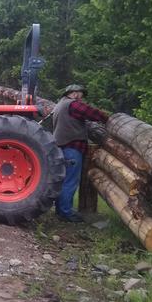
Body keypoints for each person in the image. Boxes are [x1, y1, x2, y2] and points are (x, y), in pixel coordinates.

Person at [52, 84, 109, 223]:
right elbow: (91, 113)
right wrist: (108, 118)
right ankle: (66, 213)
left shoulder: (59, 106)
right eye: (80, 94)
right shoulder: (73, 105)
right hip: (72, 148)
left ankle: (60, 210)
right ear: (75, 93)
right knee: (70, 181)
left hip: (61, 147)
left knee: (63, 181)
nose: (81, 98)